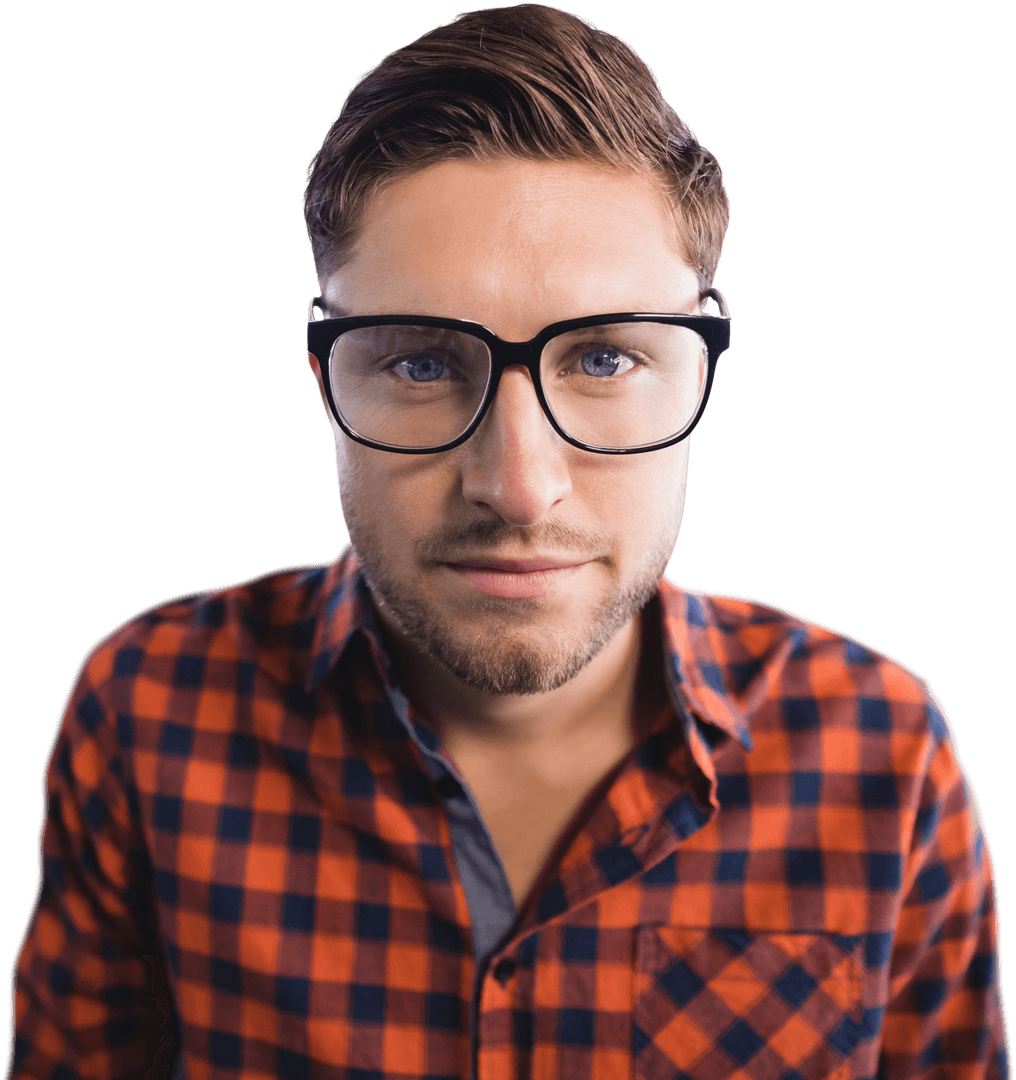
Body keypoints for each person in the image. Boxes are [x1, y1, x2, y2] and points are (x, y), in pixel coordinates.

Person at [7, 4, 1010, 1079]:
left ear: (702, 372)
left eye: (606, 358)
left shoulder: (882, 749)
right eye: (422, 364)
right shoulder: (146, 709)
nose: (518, 488)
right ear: (322, 380)